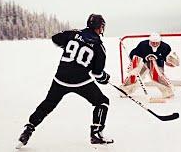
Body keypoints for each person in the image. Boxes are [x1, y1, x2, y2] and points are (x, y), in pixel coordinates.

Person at [16, 14, 113, 149]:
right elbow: (97, 74)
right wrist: (105, 77)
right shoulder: (99, 47)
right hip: (80, 81)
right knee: (102, 102)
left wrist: (67, 43)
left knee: (48, 104)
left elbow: (55, 38)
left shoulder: (73, 34)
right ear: (100, 27)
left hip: (60, 78)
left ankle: (28, 129)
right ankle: (96, 134)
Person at [120, 32, 180, 101]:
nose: (154, 44)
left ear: (160, 41)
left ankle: (168, 92)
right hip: (143, 63)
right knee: (134, 75)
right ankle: (125, 90)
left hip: (156, 64)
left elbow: (168, 57)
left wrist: (170, 61)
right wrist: (135, 64)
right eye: (153, 42)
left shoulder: (165, 47)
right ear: (149, 41)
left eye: (157, 43)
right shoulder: (143, 45)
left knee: (157, 76)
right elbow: (134, 54)